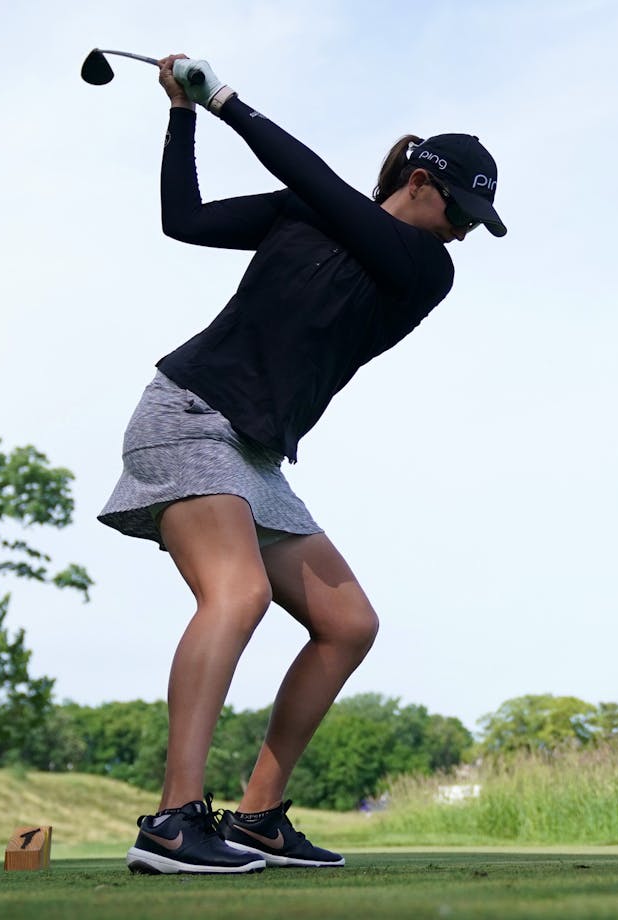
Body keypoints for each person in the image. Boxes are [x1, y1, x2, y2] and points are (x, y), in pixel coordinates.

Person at [98, 53, 506, 876]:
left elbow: (322, 187)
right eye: (460, 207)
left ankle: (256, 818)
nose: (465, 228)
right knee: (239, 593)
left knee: (348, 623)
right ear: (422, 180)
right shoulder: (312, 213)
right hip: (187, 415)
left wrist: (229, 105)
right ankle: (175, 820)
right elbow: (185, 219)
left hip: (251, 453)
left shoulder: (427, 269)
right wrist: (185, 115)